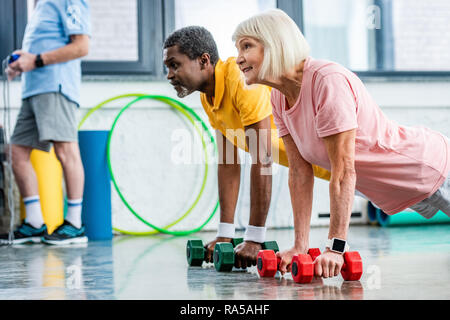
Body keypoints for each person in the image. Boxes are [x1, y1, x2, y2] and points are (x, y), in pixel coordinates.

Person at [232, 9, 450, 278]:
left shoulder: (326, 81)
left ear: (275, 43)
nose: (238, 58)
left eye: (246, 46)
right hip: (404, 190)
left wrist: (335, 247)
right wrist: (300, 246)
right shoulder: (278, 98)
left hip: (430, 168)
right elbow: (300, 173)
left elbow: (344, 170)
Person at [163, 26, 331, 268]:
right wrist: (225, 234)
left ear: (203, 61)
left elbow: (262, 159)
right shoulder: (208, 96)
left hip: (340, 164)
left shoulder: (241, 80)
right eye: (167, 67)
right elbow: (228, 163)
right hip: (315, 166)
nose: (169, 75)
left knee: (402, 198)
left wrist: (254, 238)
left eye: (174, 64)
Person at [0, 0, 91, 245]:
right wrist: (21, 63)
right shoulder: (41, 5)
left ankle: (74, 224)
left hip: (55, 87)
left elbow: (82, 46)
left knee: (65, 151)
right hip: (33, 90)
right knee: (16, 152)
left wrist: (36, 60)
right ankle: (35, 222)